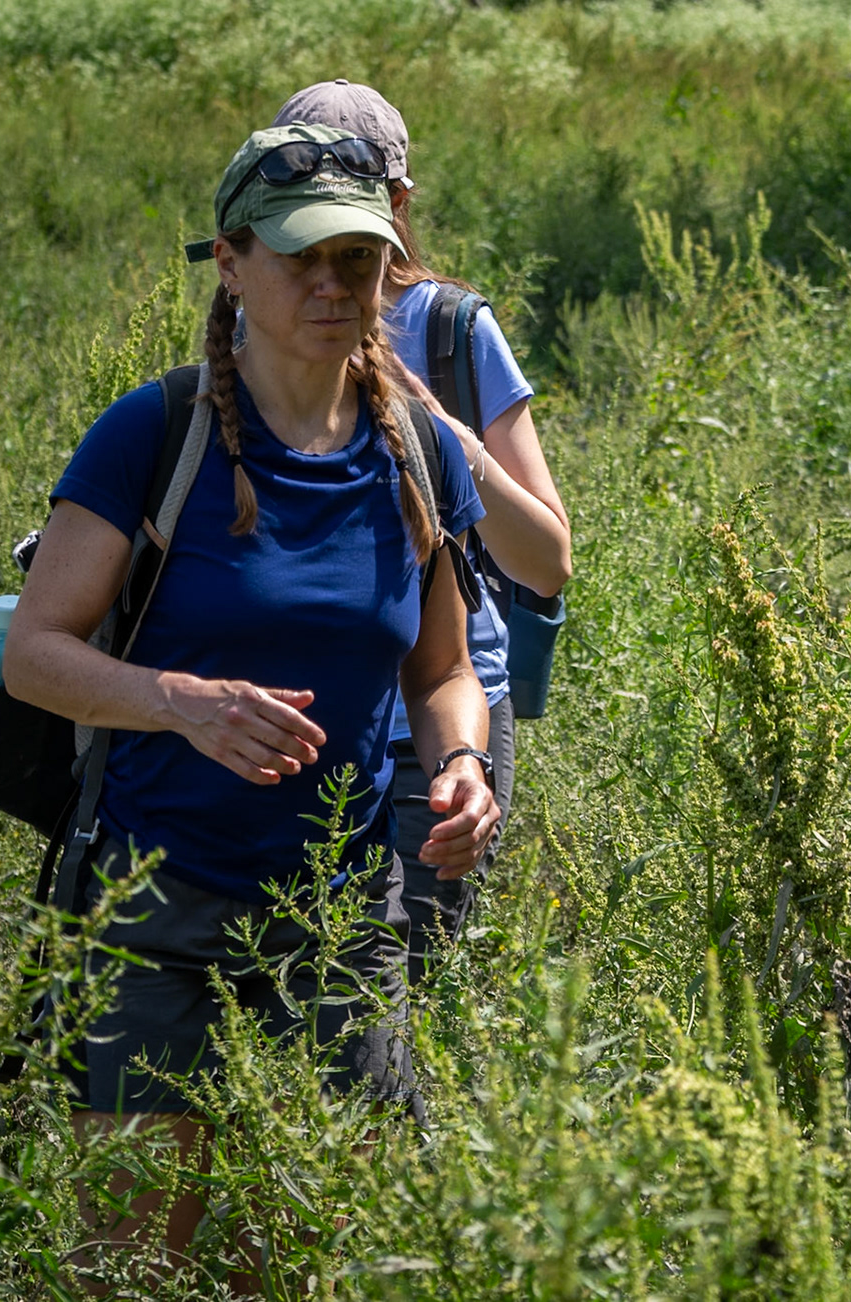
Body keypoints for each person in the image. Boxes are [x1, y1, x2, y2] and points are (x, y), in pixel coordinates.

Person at [4, 123, 501, 1282]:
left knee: (313, 1255)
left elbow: (440, 672)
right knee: (135, 1263)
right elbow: (37, 650)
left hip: (337, 923)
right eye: (299, 257)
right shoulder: (155, 432)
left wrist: (462, 765)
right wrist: (178, 701)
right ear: (230, 262)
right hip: (152, 912)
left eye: (359, 259)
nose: (333, 284)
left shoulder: (417, 448)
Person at [272, 80, 572, 983]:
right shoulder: (269, 315)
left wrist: (440, 436)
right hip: (303, 721)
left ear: (398, 207)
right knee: (288, 982)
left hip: (439, 725)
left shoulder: (451, 326)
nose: (327, 267)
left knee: (403, 992)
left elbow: (546, 560)